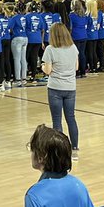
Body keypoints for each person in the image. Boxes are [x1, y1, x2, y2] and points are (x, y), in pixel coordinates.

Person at [42, 23, 81, 160]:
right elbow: (76, 67)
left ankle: (59, 152)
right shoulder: (73, 48)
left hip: (55, 88)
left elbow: (48, 71)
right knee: (71, 118)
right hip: (70, 88)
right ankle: (75, 150)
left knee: (57, 121)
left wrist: (43, 67)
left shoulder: (50, 49)